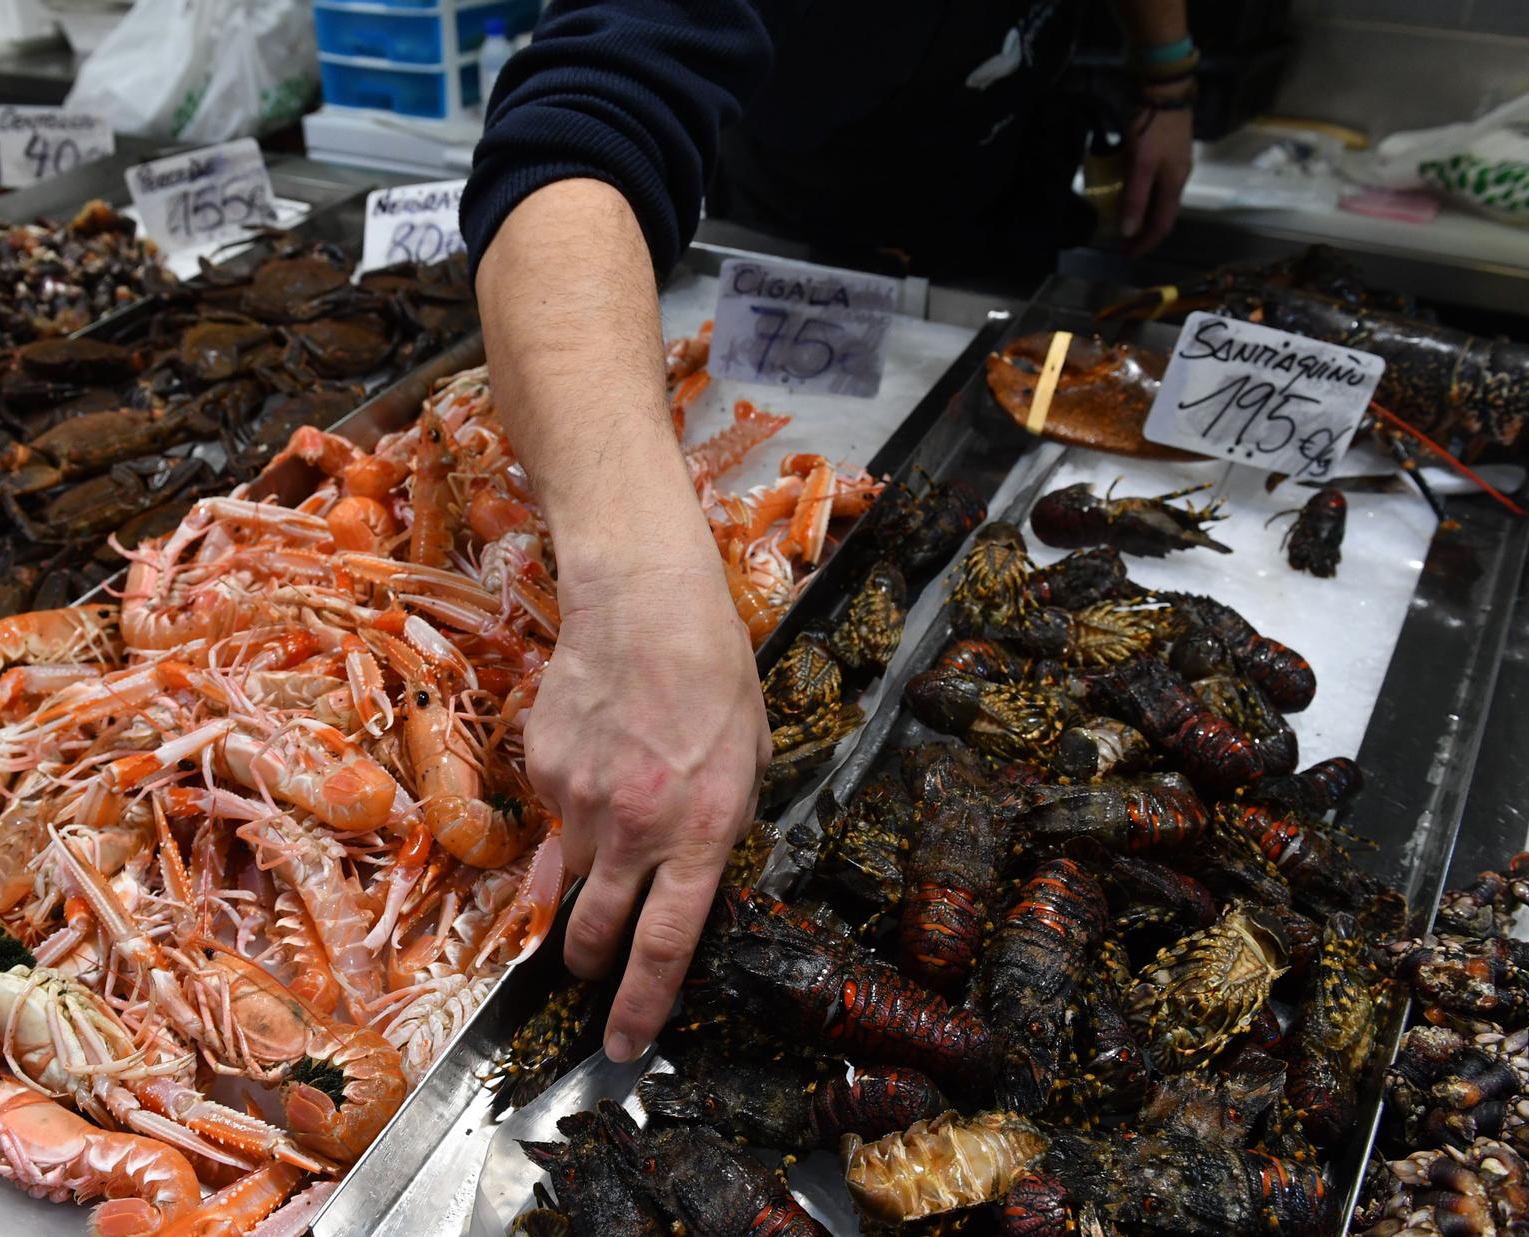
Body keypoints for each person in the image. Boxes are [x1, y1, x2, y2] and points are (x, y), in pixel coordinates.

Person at [459, 0, 1197, 1065]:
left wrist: (1163, 70)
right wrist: (639, 590)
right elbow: (571, 137)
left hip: (1016, 197)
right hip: (797, 230)